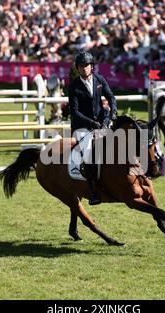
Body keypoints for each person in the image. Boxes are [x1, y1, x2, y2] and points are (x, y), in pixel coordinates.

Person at [68, 51, 117, 205]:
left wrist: (113, 111)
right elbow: (75, 112)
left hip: (101, 123)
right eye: (81, 66)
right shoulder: (74, 86)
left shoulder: (99, 79)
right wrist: (92, 123)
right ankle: (93, 191)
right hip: (82, 126)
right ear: (77, 68)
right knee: (89, 151)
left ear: (92, 66)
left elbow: (111, 96)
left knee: (116, 144)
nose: (84, 68)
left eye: (87, 65)